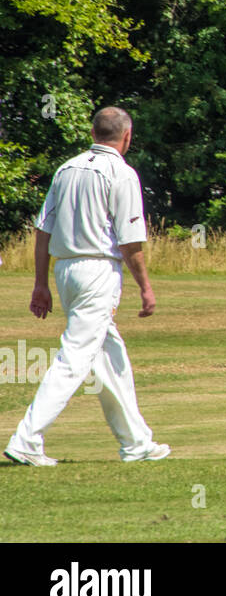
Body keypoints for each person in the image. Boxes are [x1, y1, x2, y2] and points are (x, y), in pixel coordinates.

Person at [5, 107, 169, 465]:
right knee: (74, 357)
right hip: (98, 272)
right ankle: (27, 439)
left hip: (66, 271)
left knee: (109, 357)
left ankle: (136, 442)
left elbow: (43, 230)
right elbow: (130, 243)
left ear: (94, 132)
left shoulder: (66, 169)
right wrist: (146, 287)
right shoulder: (122, 174)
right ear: (126, 136)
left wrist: (40, 283)